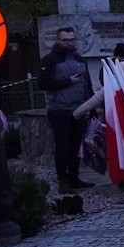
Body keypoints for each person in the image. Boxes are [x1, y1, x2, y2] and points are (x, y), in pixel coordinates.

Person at [37, 26, 94, 193]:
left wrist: (90, 105)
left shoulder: (80, 60)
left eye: (71, 39)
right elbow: (42, 83)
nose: (69, 42)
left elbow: (87, 84)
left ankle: (74, 177)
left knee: (76, 145)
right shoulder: (49, 60)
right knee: (62, 146)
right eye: (65, 40)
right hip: (59, 109)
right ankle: (63, 180)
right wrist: (67, 81)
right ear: (58, 40)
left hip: (79, 108)